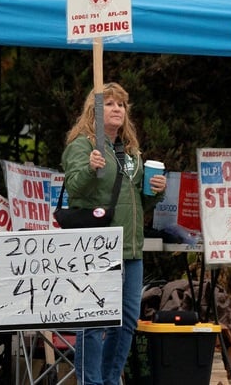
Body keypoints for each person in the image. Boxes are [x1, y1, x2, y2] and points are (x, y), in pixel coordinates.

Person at [60, 82, 166, 385]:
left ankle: (108, 380)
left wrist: (156, 193)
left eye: (121, 104)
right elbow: (76, 190)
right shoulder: (82, 145)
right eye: (110, 104)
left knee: (127, 320)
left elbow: (135, 199)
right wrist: (90, 168)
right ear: (94, 110)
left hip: (131, 248)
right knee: (93, 321)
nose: (118, 109)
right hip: (98, 245)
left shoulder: (131, 150)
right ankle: (89, 382)